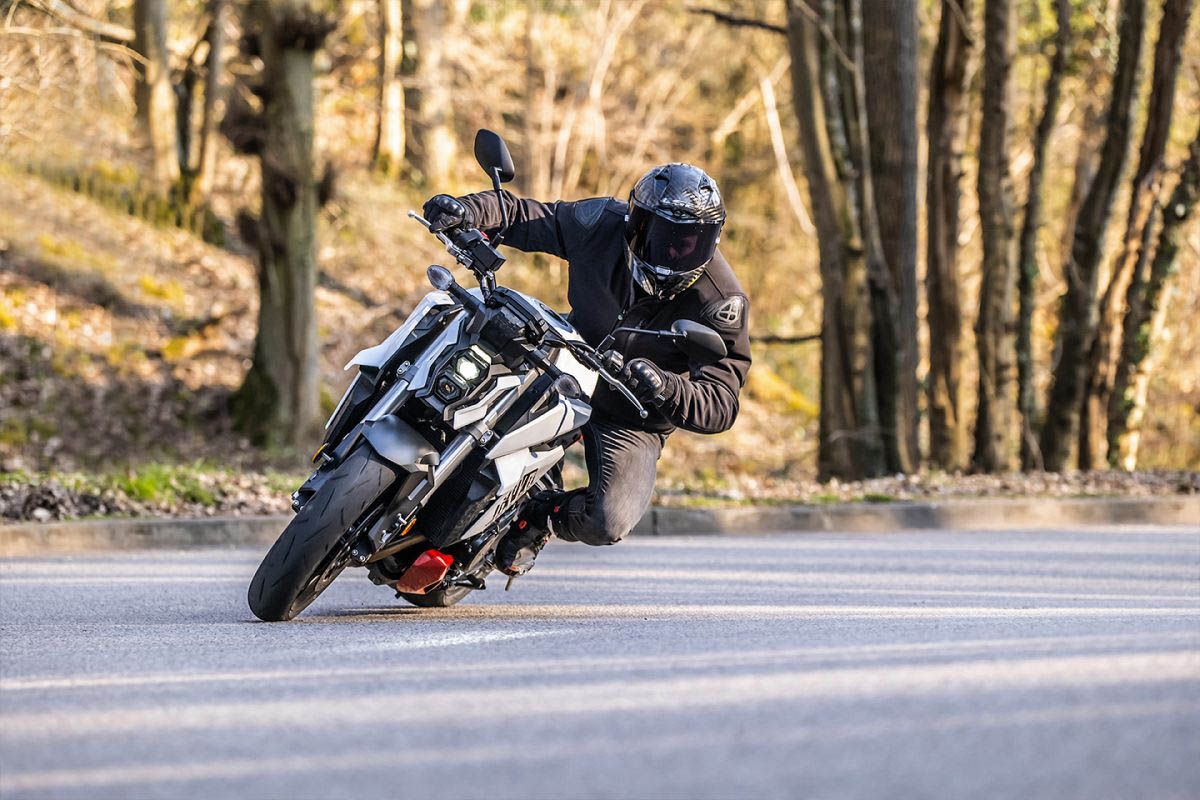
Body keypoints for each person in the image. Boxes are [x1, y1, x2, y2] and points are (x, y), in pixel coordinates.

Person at [422, 163, 751, 577]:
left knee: (609, 520)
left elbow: (721, 401)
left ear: (713, 239)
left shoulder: (721, 302)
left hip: (634, 413)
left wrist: (666, 387)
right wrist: (467, 210)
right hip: (562, 365)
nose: (671, 253)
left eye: (688, 242)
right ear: (635, 221)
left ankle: (539, 516)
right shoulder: (601, 223)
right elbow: (527, 215)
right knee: (465, 342)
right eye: (660, 235)